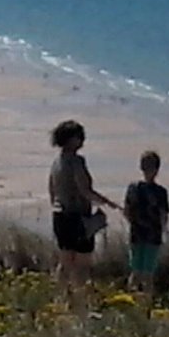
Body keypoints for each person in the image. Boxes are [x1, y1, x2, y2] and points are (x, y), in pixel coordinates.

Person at [48, 119, 120, 302]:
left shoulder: (56, 162)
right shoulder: (76, 161)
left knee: (64, 262)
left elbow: (51, 189)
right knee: (82, 264)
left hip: (59, 216)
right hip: (78, 218)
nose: (82, 140)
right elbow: (85, 190)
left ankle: (60, 300)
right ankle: (79, 305)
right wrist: (107, 203)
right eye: (80, 137)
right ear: (71, 139)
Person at [123, 150, 169, 301]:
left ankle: (132, 301)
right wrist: (162, 231)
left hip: (137, 234)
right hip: (151, 235)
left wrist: (135, 223)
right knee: (146, 273)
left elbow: (127, 211)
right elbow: (163, 215)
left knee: (137, 271)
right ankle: (145, 304)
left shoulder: (133, 188)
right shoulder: (160, 192)